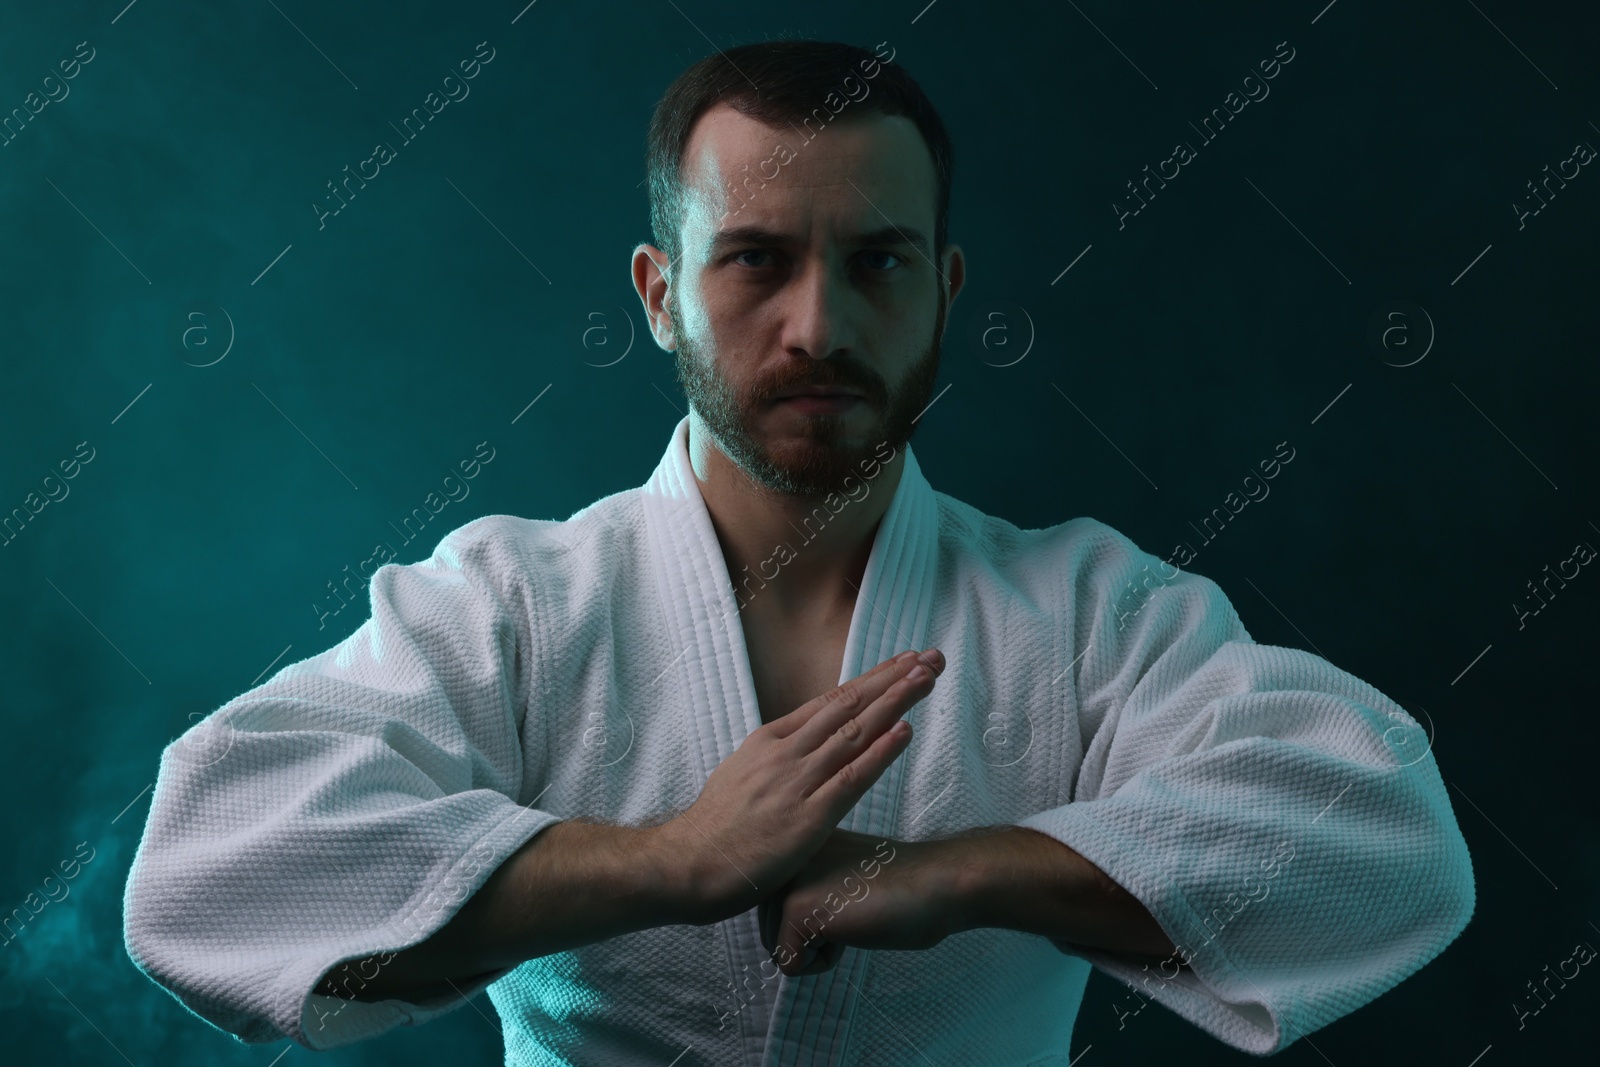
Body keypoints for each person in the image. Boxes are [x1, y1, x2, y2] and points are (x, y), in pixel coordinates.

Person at [122, 38, 1475, 1065]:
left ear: (943, 290)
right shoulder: (513, 608)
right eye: (756, 260)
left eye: (878, 263)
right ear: (660, 295)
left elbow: (1386, 836)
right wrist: (664, 863)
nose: (819, 324)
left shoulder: (1082, 612)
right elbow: (207, 858)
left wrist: (954, 875)